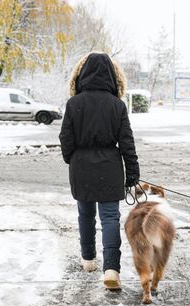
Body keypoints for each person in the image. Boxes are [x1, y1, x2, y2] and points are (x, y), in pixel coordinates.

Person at [59, 52, 140, 290]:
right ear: (113, 76)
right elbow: (127, 142)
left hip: (81, 167)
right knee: (110, 218)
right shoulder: (117, 105)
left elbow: (66, 137)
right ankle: (112, 269)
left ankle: (88, 260)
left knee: (85, 215)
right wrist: (132, 173)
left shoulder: (74, 104)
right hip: (110, 166)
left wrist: (71, 159)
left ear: (82, 74)